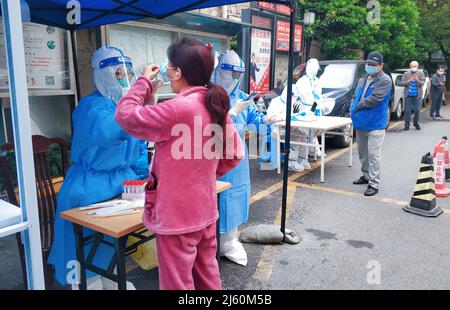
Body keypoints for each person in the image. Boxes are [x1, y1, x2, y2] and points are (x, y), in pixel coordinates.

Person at [114, 38, 244, 290]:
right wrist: (202, 174)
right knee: (207, 277)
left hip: (176, 218)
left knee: (177, 284)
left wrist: (142, 83)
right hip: (205, 210)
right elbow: (233, 154)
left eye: (169, 68)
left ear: (178, 72)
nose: (168, 73)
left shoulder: (177, 109)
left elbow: (125, 115)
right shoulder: (215, 104)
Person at [48, 46, 148, 290]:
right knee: (82, 250)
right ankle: (87, 282)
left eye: (127, 72)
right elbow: (109, 133)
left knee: (108, 246)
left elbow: (139, 148)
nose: (124, 77)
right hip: (88, 188)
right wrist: (137, 105)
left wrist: (144, 177)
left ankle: (108, 277)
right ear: (103, 74)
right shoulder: (91, 107)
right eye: (118, 73)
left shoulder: (123, 105)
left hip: (120, 186)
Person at [213, 50, 269, 266]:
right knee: (217, 203)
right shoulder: (210, 96)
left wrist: (269, 119)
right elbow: (213, 131)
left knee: (235, 199)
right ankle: (213, 245)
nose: (235, 80)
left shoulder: (241, 96)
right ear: (221, 72)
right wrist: (233, 113)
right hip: (217, 159)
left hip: (238, 161)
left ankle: (229, 243)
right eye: (232, 75)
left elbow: (255, 120)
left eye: (239, 75)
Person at [350, 51, 392, 197]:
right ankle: (366, 176)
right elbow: (356, 95)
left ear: (381, 65)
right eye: (368, 64)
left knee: (374, 155)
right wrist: (352, 106)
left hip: (376, 124)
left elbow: (375, 99)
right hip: (361, 122)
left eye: (373, 64)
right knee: (363, 153)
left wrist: (357, 106)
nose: (370, 66)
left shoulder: (385, 80)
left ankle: (374, 183)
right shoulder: (364, 78)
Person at [266, 84, 310, 172]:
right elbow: (270, 118)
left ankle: (303, 159)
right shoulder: (276, 102)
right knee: (296, 137)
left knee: (303, 135)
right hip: (277, 130)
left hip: (290, 128)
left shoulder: (293, 102)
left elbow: (301, 112)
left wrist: (298, 115)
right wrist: (285, 116)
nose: (294, 98)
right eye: (293, 96)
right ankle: (291, 163)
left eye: (295, 97)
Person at [400, 61, 425, 130]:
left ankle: (416, 123)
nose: (414, 67)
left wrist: (417, 80)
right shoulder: (406, 74)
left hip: (417, 95)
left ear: (417, 66)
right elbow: (401, 83)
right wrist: (408, 81)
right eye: (412, 66)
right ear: (410, 66)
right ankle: (407, 124)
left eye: (415, 66)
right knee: (407, 111)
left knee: (417, 110)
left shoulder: (420, 73)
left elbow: (422, 83)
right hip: (408, 95)